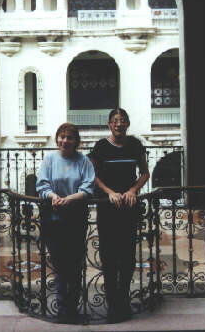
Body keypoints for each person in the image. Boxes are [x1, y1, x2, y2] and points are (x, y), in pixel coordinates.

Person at [89, 108, 150, 323]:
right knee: (108, 254)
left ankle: (123, 300)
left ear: (128, 124)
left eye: (122, 120)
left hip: (128, 206)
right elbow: (93, 175)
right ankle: (112, 302)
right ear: (109, 124)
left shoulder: (134, 145)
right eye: (115, 121)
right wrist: (109, 192)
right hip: (107, 206)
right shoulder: (101, 147)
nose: (119, 124)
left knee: (127, 255)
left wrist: (133, 190)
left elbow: (144, 172)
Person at [36, 123, 95, 323]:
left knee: (75, 266)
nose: (65, 141)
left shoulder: (83, 161)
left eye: (70, 137)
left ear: (76, 141)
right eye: (62, 136)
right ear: (57, 138)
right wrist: (54, 196)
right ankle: (62, 309)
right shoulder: (49, 159)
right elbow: (42, 184)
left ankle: (73, 308)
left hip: (76, 220)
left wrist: (69, 199)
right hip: (54, 220)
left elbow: (88, 187)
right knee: (60, 265)